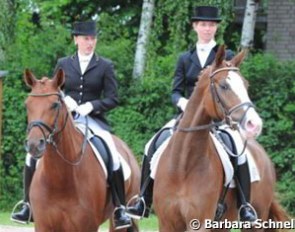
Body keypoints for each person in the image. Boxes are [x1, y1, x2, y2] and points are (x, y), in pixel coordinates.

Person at [126, 6, 258, 222]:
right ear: (195, 27)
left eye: (212, 25)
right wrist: (183, 102)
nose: (207, 28)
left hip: (218, 119)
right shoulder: (184, 58)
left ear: (216, 28)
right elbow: (175, 90)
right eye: (203, 25)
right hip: (187, 118)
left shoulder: (226, 55)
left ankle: (244, 205)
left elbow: (232, 89)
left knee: (238, 150)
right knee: (152, 144)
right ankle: (143, 199)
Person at [11, 20, 132, 230]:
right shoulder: (64, 63)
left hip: (92, 120)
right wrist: (66, 100)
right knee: (31, 155)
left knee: (112, 153)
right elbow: (54, 89)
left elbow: (113, 98)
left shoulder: (105, 65)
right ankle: (27, 205)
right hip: (64, 118)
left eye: (92, 39)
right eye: (85, 39)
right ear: (76, 39)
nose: (89, 43)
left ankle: (120, 208)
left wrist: (90, 106)